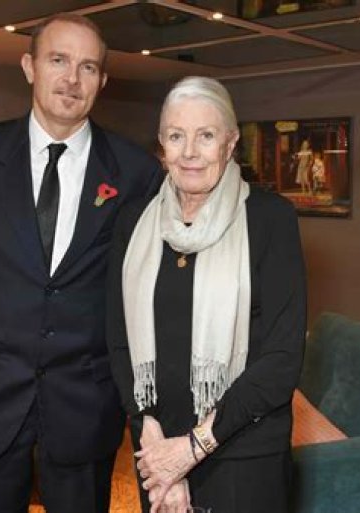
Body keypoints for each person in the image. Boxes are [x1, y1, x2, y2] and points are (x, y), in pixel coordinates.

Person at [0, 13, 163, 513]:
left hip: (83, 406)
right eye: (58, 60)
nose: (72, 79)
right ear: (29, 66)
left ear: (102, 81)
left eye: (87, 67)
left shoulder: (136, 172)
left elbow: (145, 299)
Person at [107, 76, 306, 513]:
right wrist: (152, 436)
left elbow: (281, 360)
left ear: (230, 144)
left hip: (243, 454)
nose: (190, 152)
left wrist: (190, 451)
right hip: (156, 448)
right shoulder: (133, 222)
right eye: (176, 136)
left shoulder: (271, 219)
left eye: (206, 136)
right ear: (162, 146)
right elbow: (118, 337)